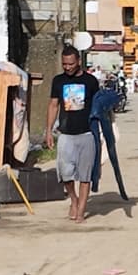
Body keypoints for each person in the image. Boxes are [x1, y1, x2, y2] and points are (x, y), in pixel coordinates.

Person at [46, 46, 101, 222]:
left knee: (85, 175)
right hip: (66, 134)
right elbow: (53, 105)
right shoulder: (58, 81)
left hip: (87, 134)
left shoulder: (91, 81)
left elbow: (99, 106)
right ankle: (73, 199)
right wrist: (48, 131)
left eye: (71, 64)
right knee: (65, 174)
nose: (67, 67)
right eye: (64, 64)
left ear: (78, 61)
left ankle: (81, 210)